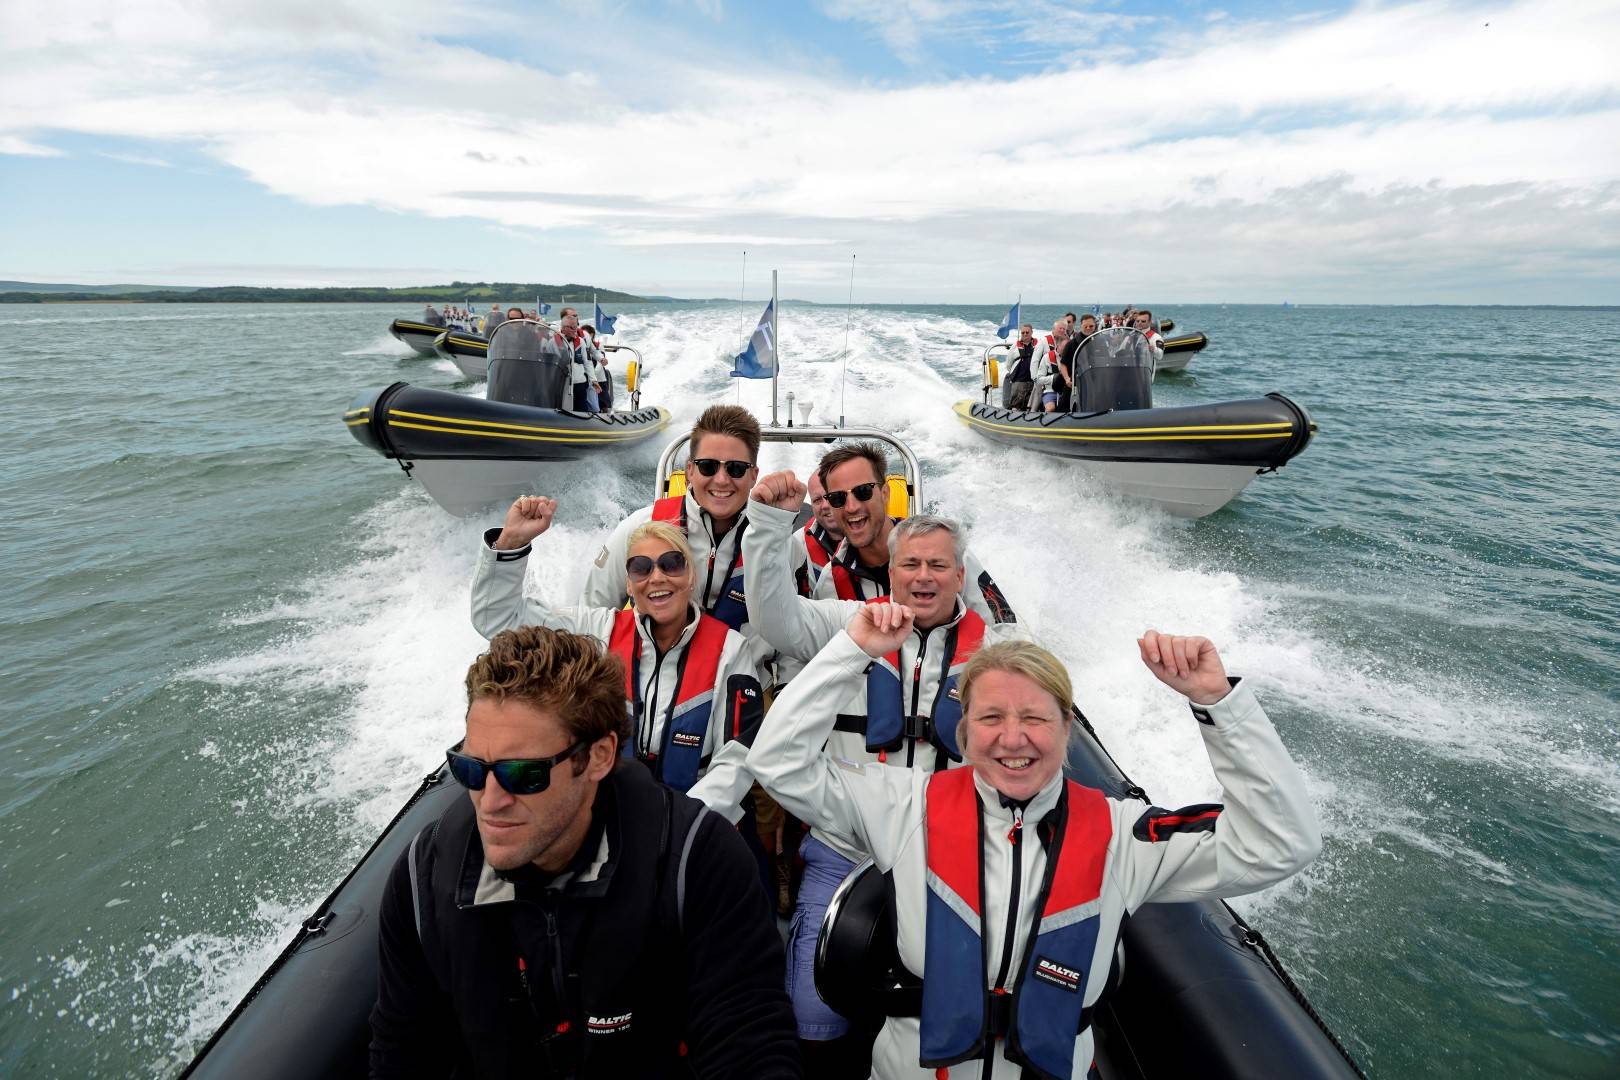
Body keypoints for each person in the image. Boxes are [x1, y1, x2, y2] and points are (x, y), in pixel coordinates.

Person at [748, 611, 1322, 1080]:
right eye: (991, 716)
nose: (1013, 737)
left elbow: (1281, 842)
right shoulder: (903, 806)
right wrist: (852, 648)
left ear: (1067, 728)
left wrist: (1218, 703)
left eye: (1035, 718)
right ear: (964, 732)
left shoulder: (1123, 835)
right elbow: (777, 760)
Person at [369, 626, 799, 1079]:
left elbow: (749, 1046)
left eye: (523, 775)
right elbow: (403, 1052)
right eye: (472, 769)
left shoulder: (697, 861)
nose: (490, 802)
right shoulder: (424, 879)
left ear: (598, 756)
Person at [743, 474, 1025, 1065]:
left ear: (959, 576)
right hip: (847, 844)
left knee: (956, 1008)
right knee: (813, 1013)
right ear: (891, 572)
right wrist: (770, 527)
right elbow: (773, 617)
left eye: (939, 566)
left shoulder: (998, 650)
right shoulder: (846, 622)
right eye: (912, 564)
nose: (924, 577)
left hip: (955, 850)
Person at [471, 501, 772, 820]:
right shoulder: (597, 632)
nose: (657, 577)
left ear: (691, 577)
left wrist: (677, 825)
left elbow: (736, 760)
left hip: (691, 823)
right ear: (628, 583)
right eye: (641, 568)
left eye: (672, 564)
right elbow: (498, 618)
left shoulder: (731, 650)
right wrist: (510, 544)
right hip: (605, 820)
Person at [797, 471, 844, 597]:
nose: (825, 505)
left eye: (832, 496)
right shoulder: (797, 543)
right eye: (817, 500)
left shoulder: (872, 538)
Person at [1035, 319, 1071, 413]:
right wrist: (1054, 378)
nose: (1067, 350)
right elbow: (1039, 379)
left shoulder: (1072, 358)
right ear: (1058, 346)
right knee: (1051, 408)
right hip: (1050, 390)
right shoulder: (1047, 358)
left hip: (1068, 391)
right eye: (1064, 348)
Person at [1003, 323, 1036, 410]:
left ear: (1031, 332)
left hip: (1033, 380)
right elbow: (1009, 363)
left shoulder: (1038, 345)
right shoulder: (1015, 347)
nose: (1025, 334)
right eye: (1023, 333)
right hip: (1019, 380)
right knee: (1016, 404)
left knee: (1031, 405)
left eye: (1027, 332)